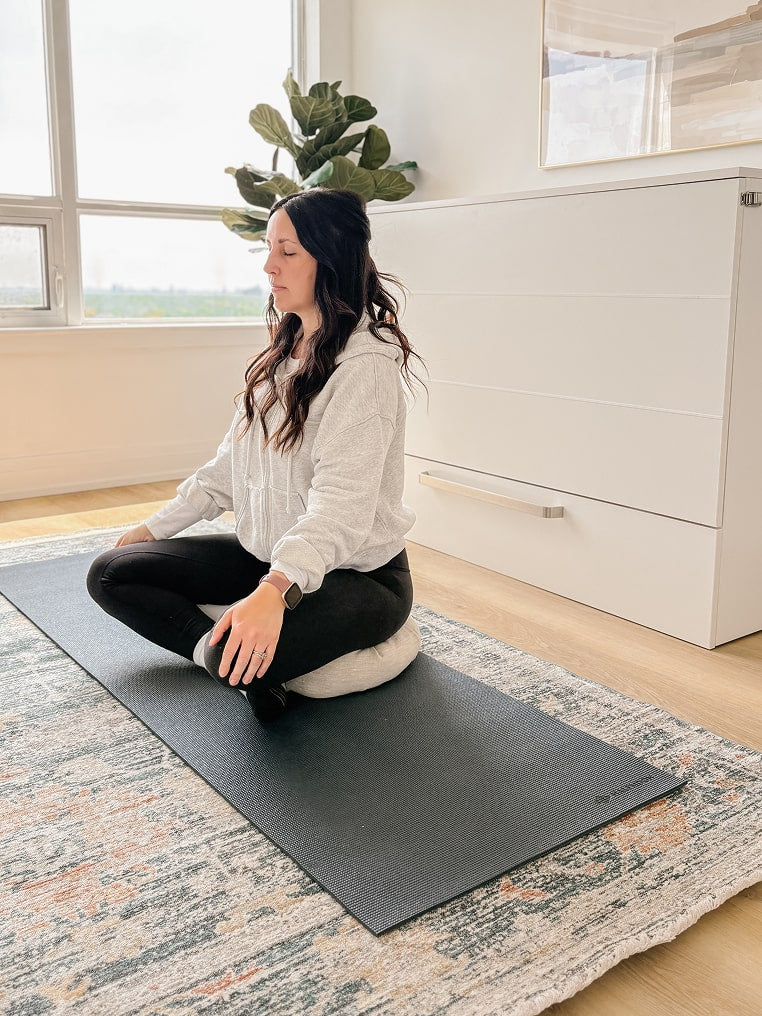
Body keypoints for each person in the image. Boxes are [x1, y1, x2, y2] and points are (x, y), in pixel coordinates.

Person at [87, 188, 425, 724]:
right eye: (269, 249)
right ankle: (217, 654)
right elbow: (230, 467)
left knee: (242, 661)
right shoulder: (285, 348)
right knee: (112, 572)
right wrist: (155, 528)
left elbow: (341, 508)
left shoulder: (366, 367)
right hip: (264, 553)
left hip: (357, 575)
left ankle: (229, 655)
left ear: (332, 256)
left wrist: (272, 593)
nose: (270, 266)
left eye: (288, 252)